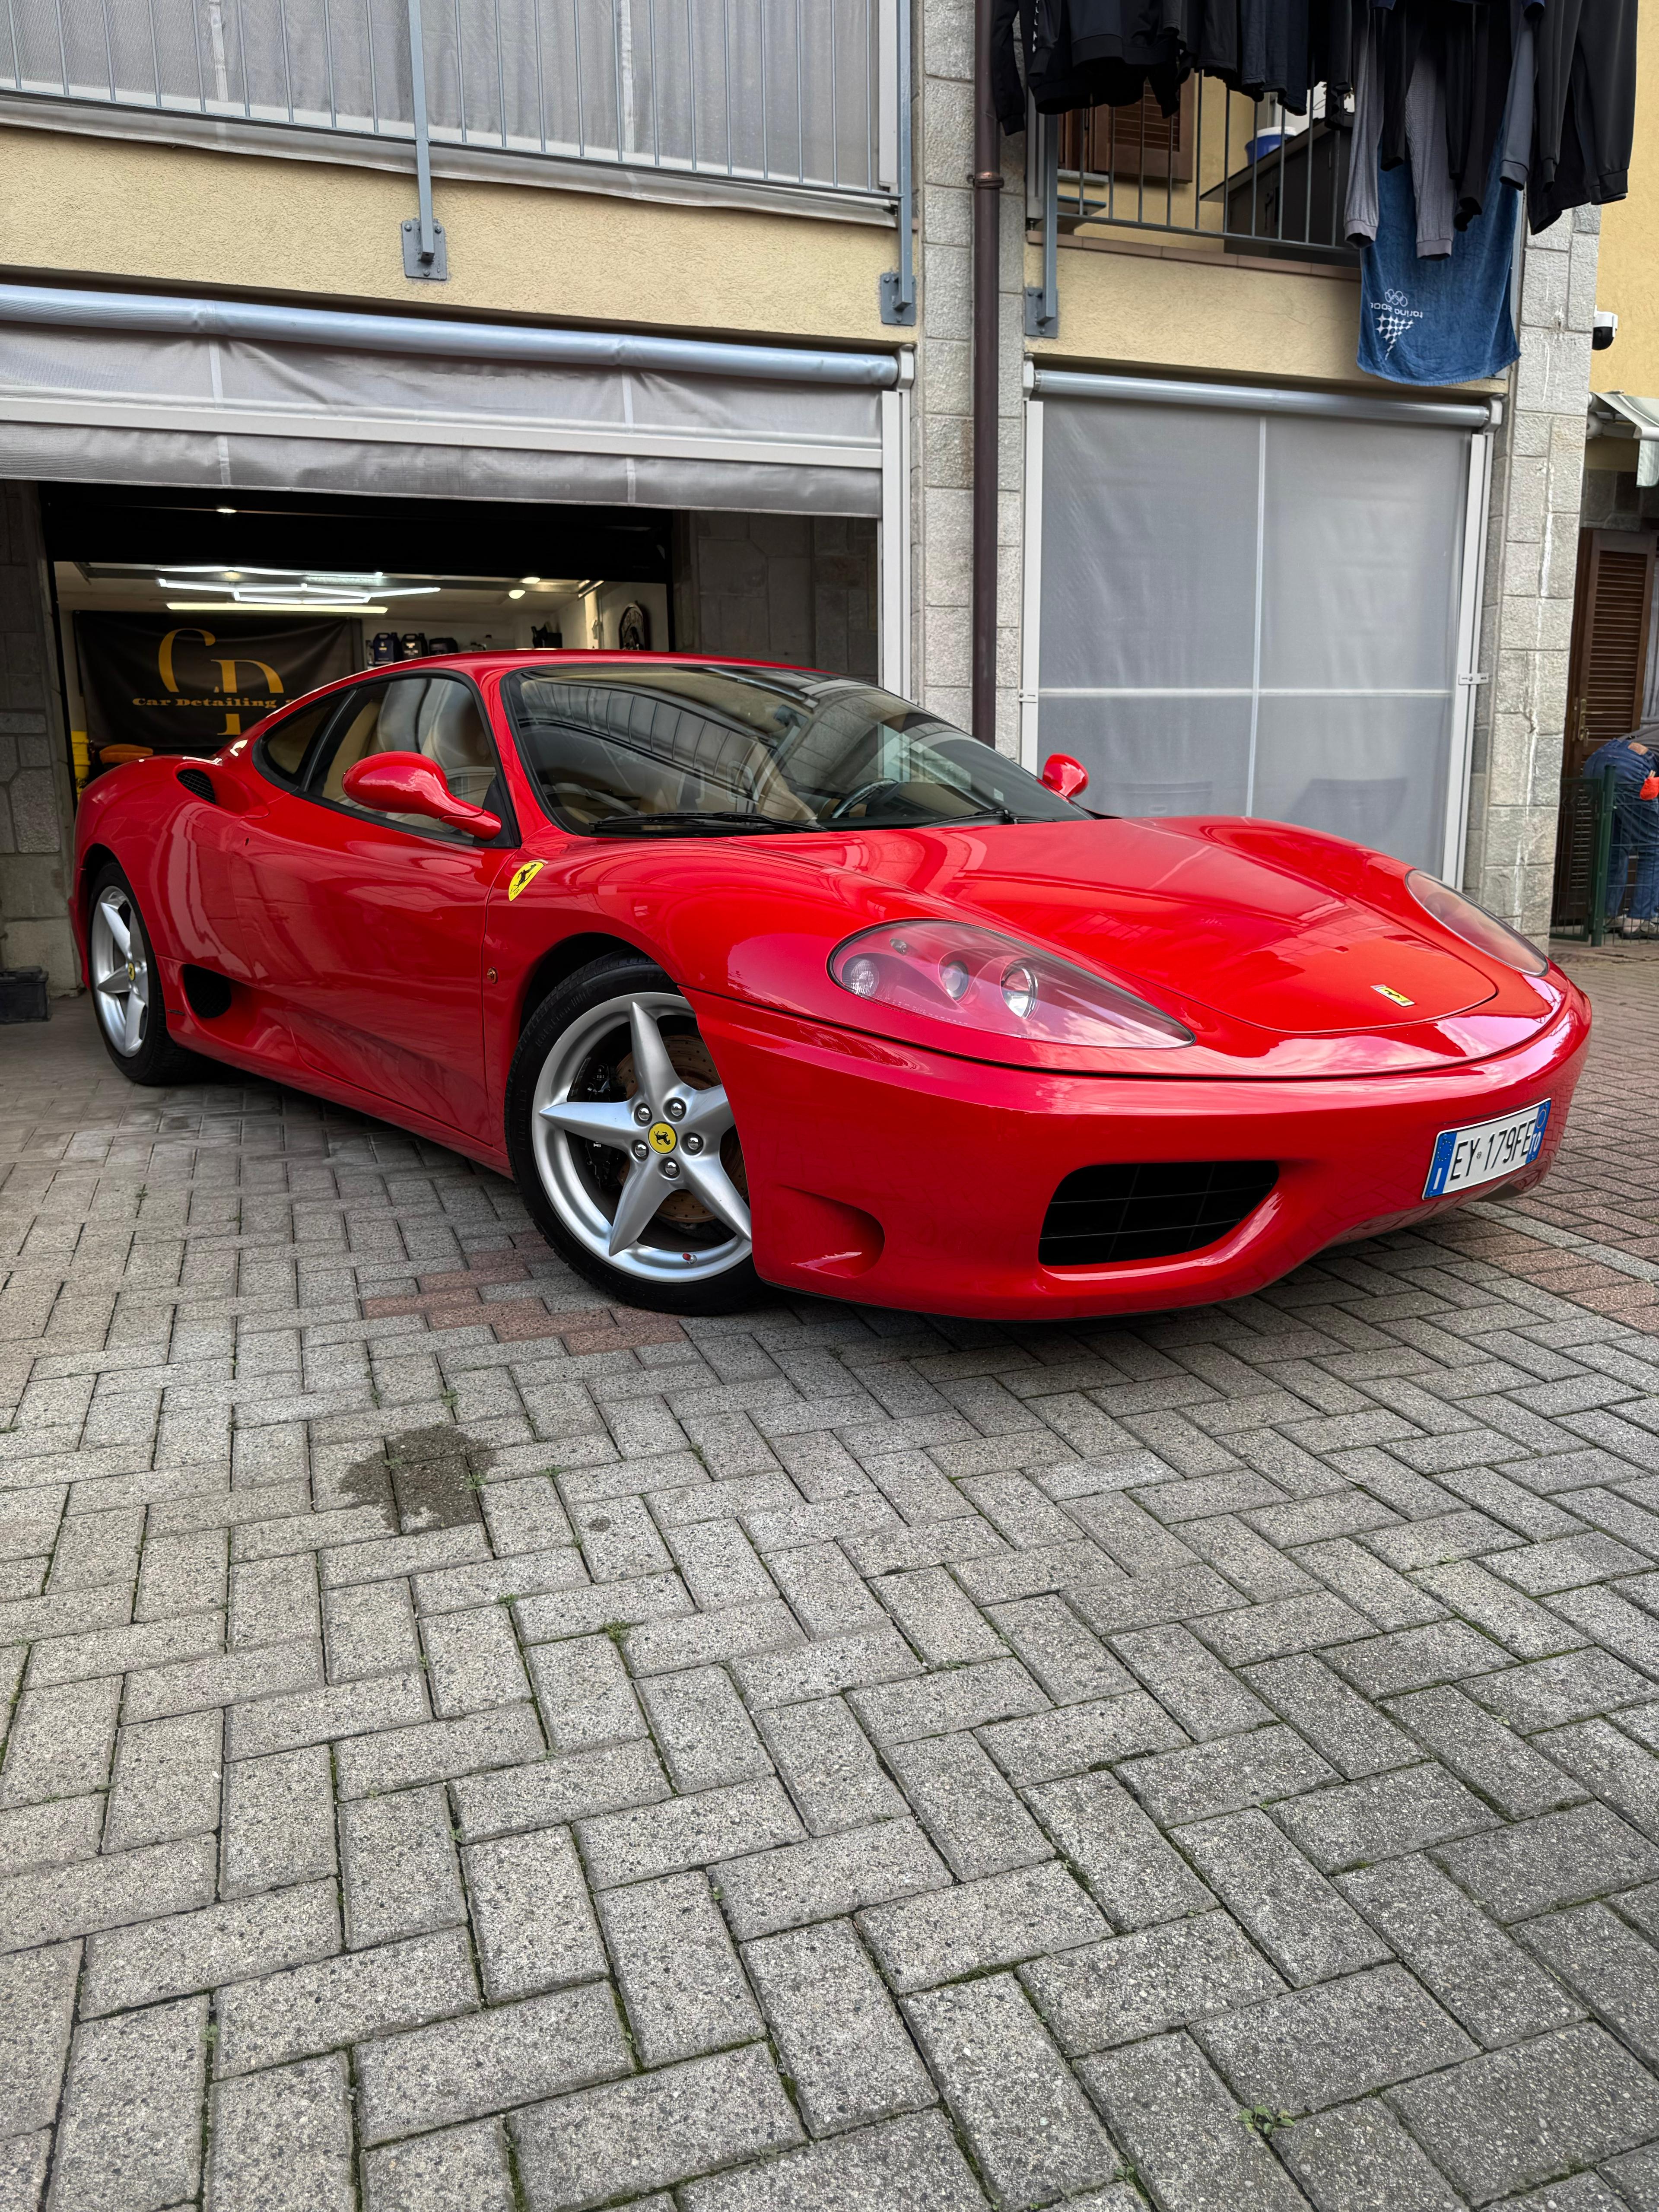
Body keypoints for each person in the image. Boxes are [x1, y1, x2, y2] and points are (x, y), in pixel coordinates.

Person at [1582, 723, 1659, 934]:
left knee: (1615, 844)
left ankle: (1605, 916)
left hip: (1597, 762)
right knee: (1654, 846)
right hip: (1631, 767)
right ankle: (1640, 920)